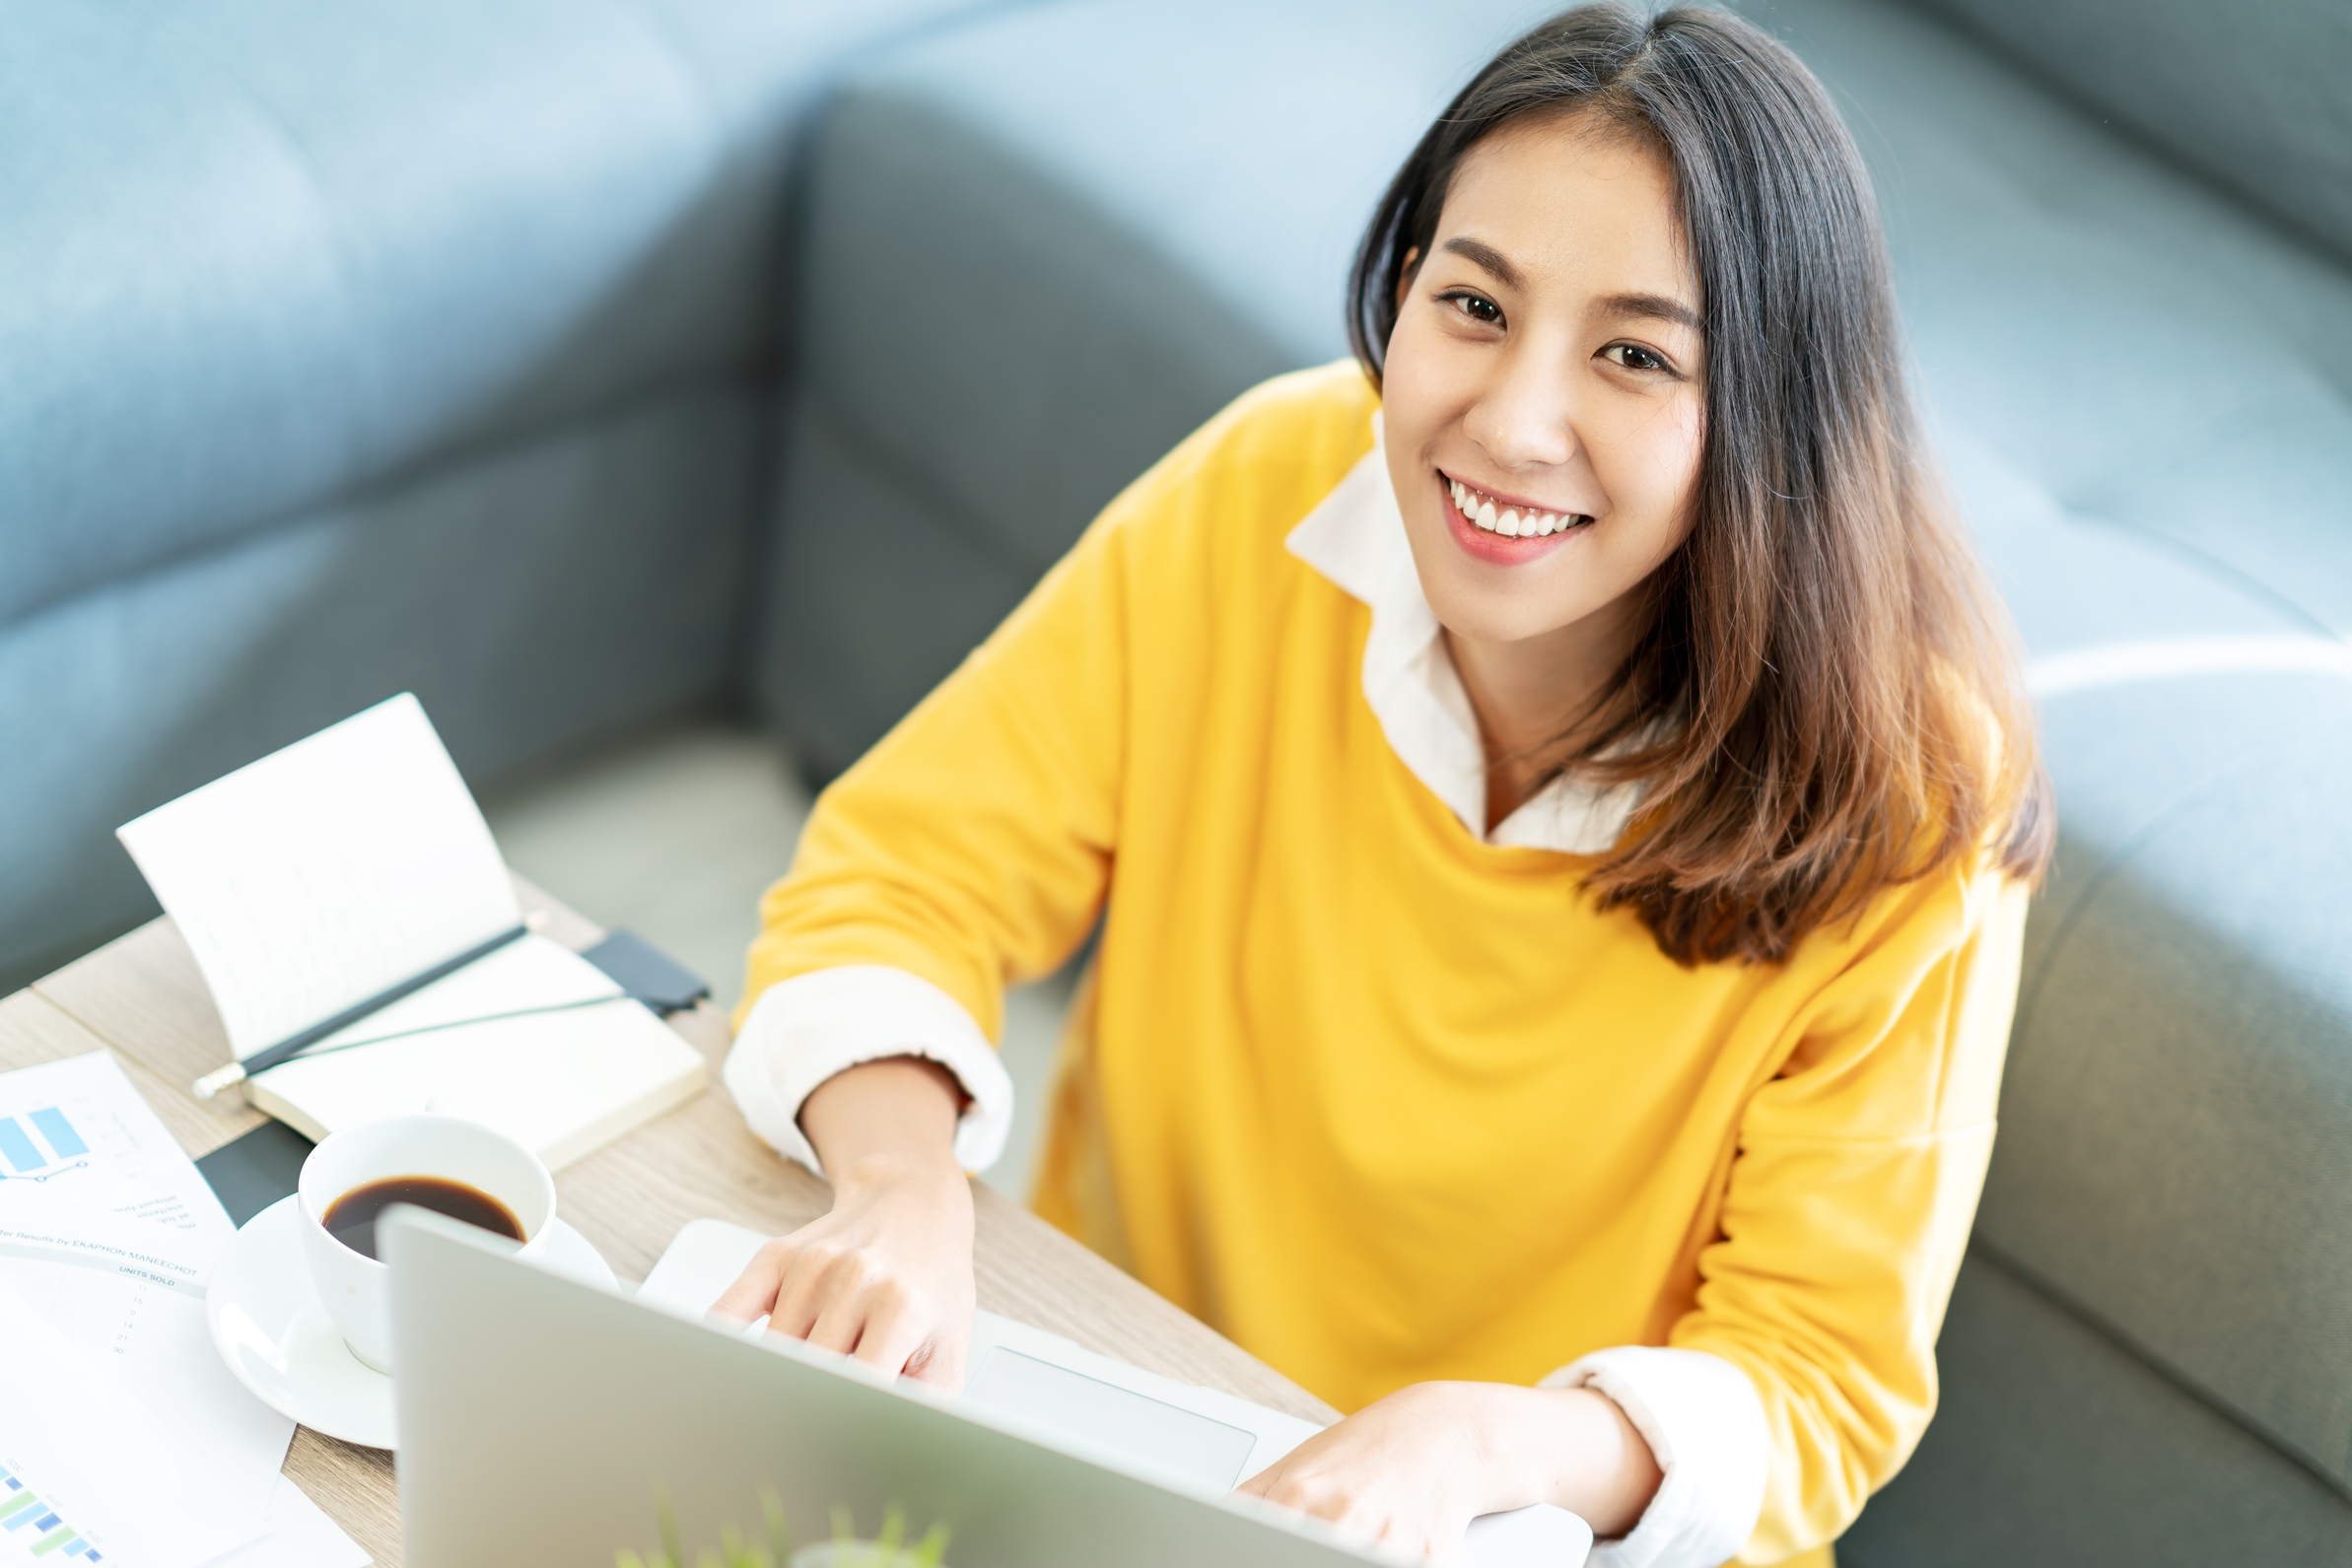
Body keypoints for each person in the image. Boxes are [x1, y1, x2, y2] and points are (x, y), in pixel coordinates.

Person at [710, 5, 2052, 1564]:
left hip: (1516, 1527)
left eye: (1631, 355)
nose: (1510, 420)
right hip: (1113, 1406)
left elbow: (1812, 1385)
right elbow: (900, 875)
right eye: (1472, 303)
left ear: (1772, 410)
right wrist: (896, 1187)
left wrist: (1475, 1436)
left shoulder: (1906, 799)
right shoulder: (1266, 489)